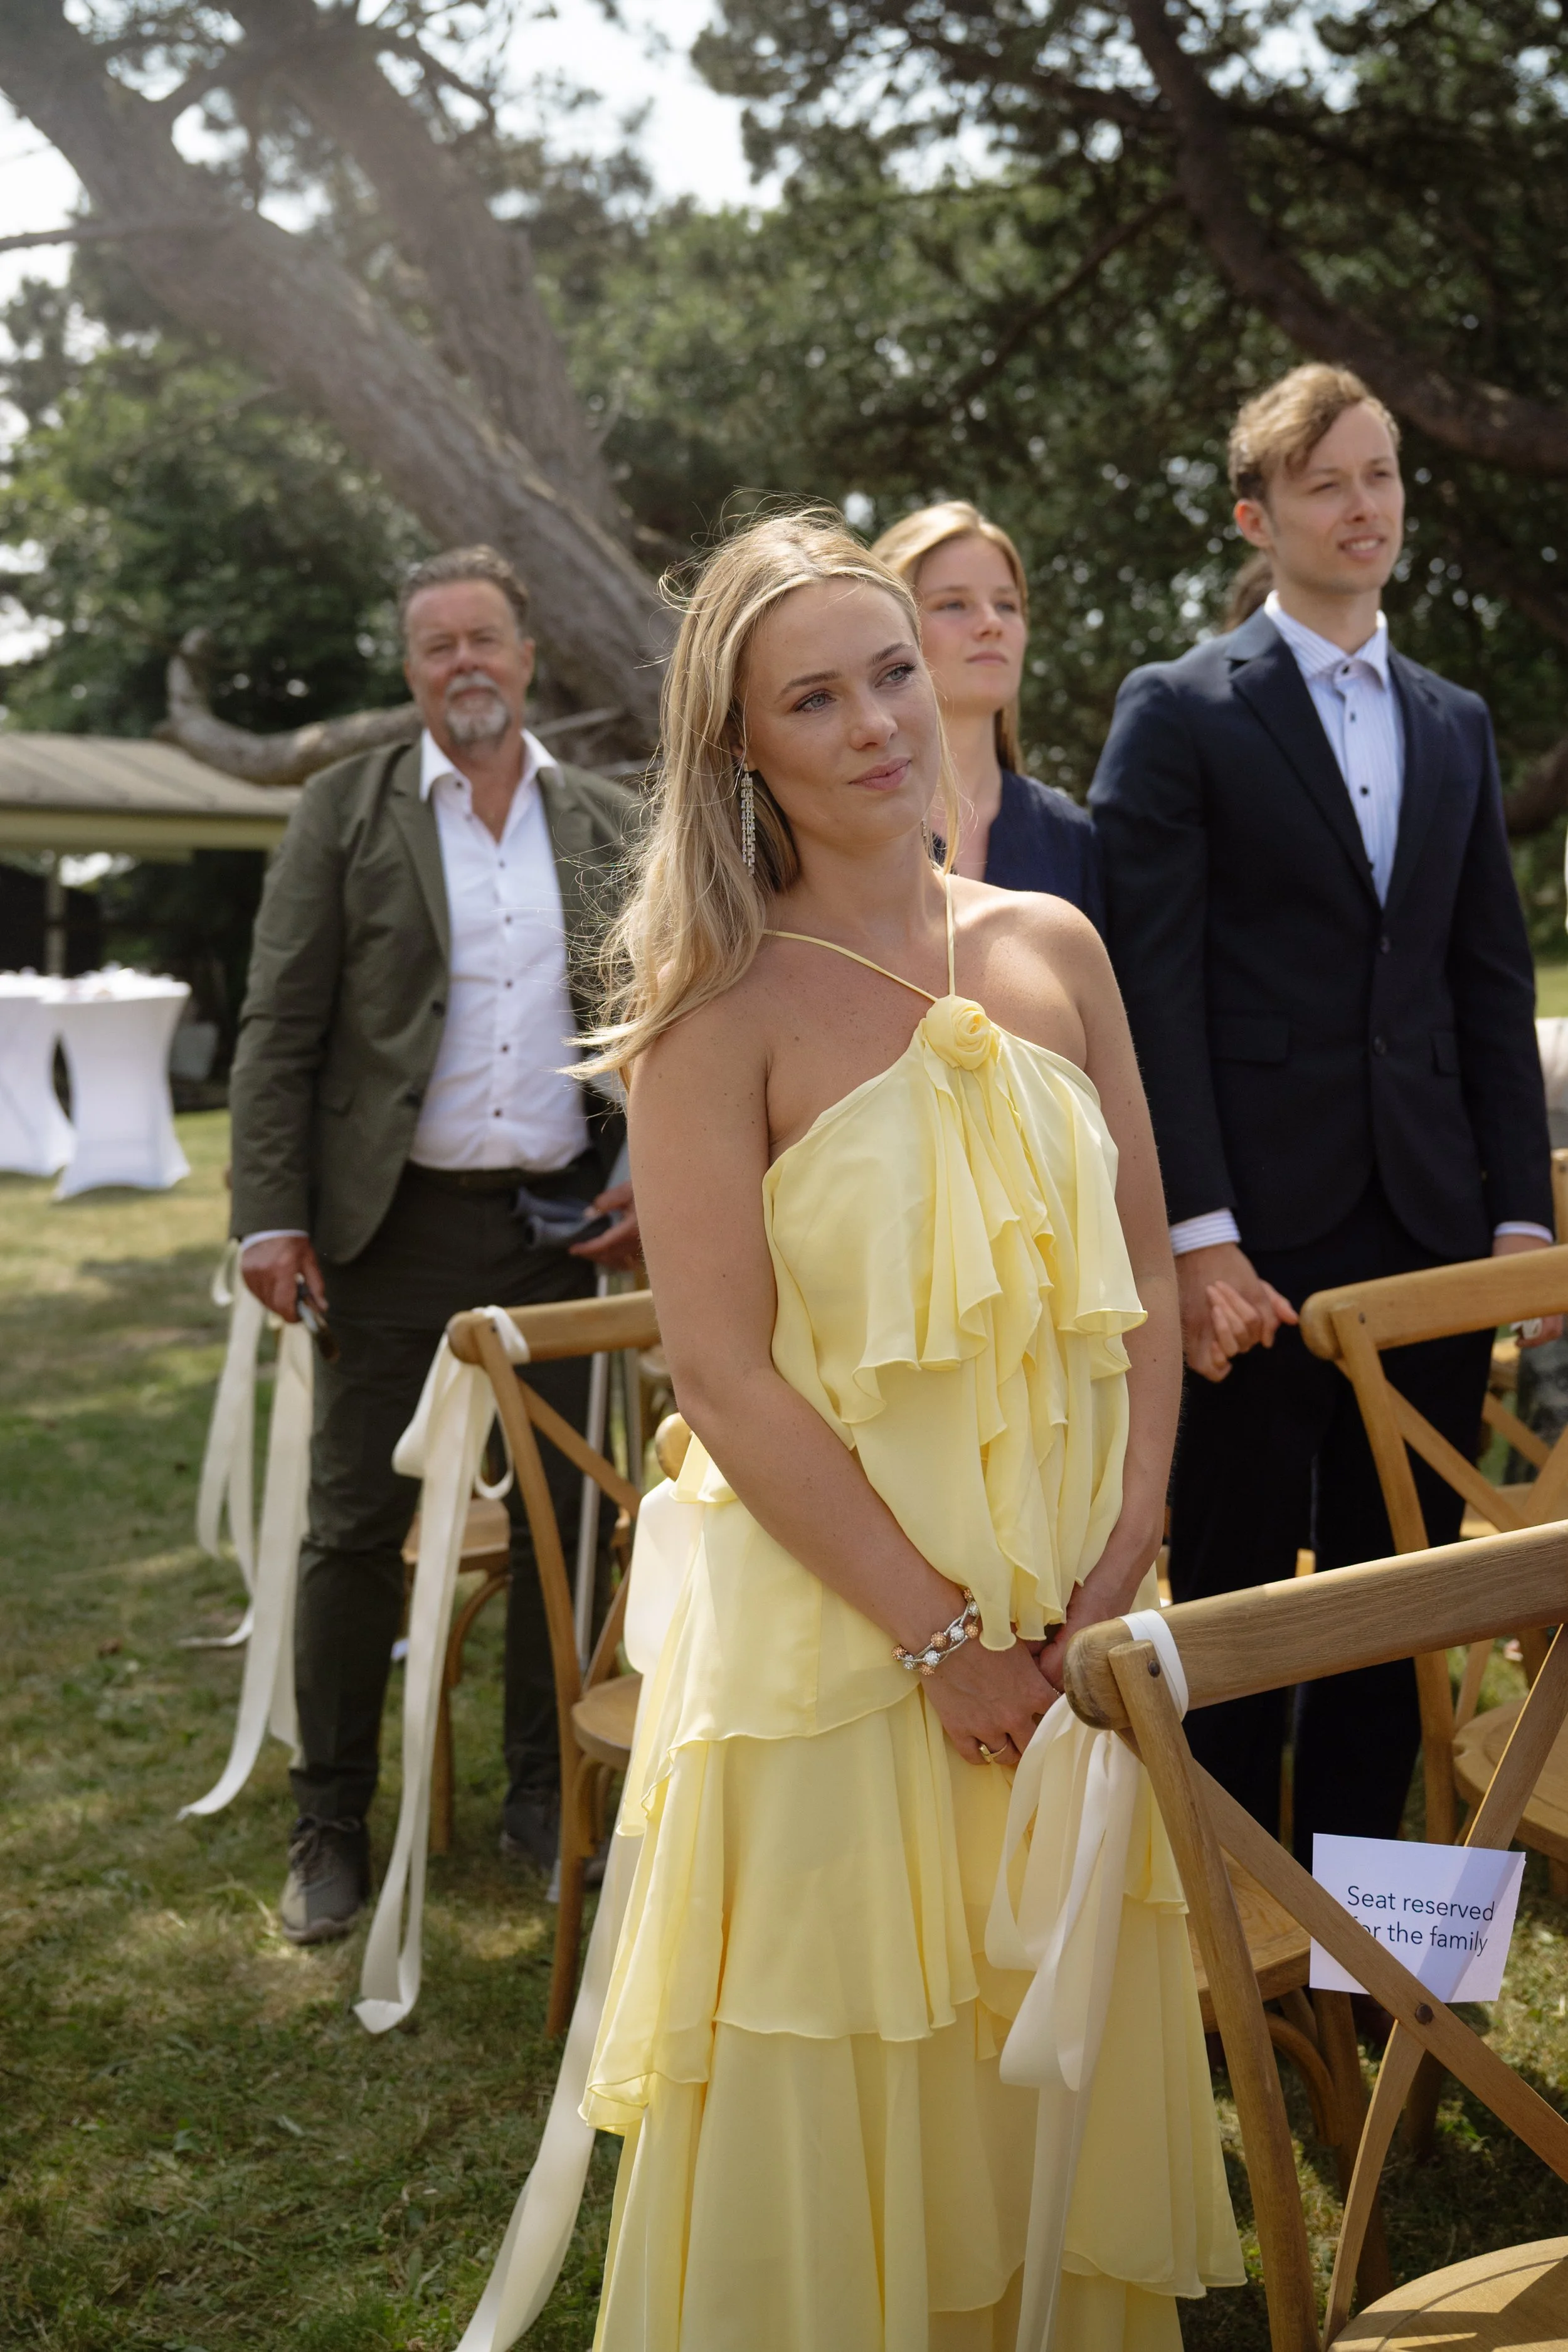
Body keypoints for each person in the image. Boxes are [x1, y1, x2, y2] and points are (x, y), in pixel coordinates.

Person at [576, 512, 1239, 2345]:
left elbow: (1140, 1267)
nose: (878, 717)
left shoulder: (1055, 943)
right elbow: (722, 1374)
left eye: (889, 667)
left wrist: (1120, 1553)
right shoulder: (710, 1018)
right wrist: (939, 1640)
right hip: (849, 1646)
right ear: (740, 745)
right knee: (853, 2062)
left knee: (1043, 2064)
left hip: (1074, 1616)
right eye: (817, 693)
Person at [1089, 366, 1555, 1857]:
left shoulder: (1455, 719)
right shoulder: (1177, 710)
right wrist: (1198, 1235)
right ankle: (1230, 1949)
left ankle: (1370, 1940)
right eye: (1328, 484)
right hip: (1253, 1250)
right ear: (1258, 514)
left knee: (1396, 1593)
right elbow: (1146, 997)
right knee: (1235, 1596)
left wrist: (1518, 1215)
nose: (1367, 508)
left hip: (1430, 1222)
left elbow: (1488, 977)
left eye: (1383, 477)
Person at [229, 544, 641, 1944]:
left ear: (527, 656)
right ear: (409, 671)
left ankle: (543, 1803)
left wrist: (641, 1165)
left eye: (483, 638)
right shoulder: (344, 813)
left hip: (557, 1237)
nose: (461, 662)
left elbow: (655, 1017)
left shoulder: (597, 819)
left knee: (561, 1529)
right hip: (385, 1237)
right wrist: (272, 1216)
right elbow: (279, 1029)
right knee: (353, 1532)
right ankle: (329, 1823)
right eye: (431, 645)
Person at [872, 500, 1105, 926]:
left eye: (1007, 605)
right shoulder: (845, 825)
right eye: (954, 604)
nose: (990, 623)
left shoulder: (1070, 837)